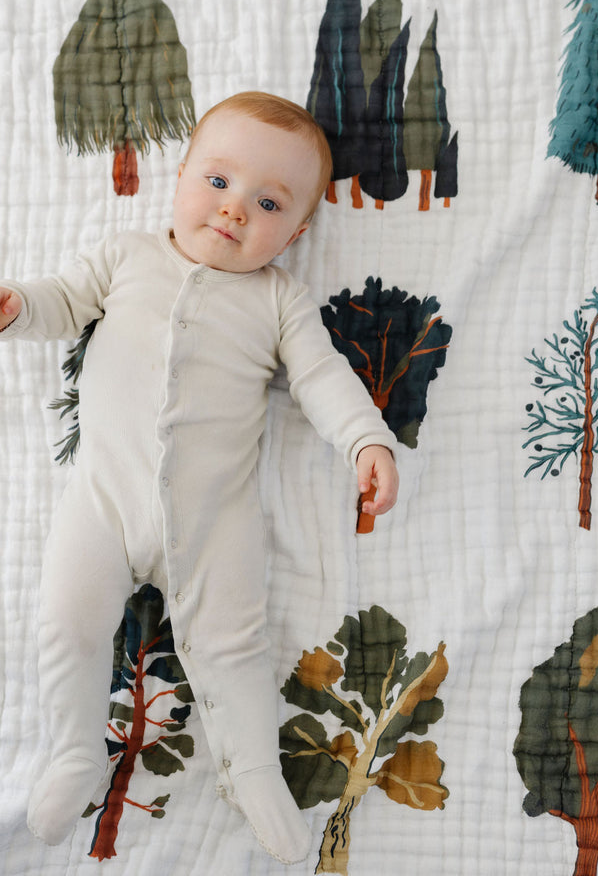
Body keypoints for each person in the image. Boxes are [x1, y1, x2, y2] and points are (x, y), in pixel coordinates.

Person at [0, 92, 399, 863]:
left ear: (298, 232)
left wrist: (365, 442)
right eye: (217, 181)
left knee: (233, 647)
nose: (234, 209)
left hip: (215, 517)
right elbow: (63, 302)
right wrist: (17, 306)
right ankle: (75, 751)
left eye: (269, 203)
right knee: (66, 623)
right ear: (181, 175)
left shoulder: (278, 299)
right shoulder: (126, 257)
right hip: (105, 502)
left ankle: (253, 772)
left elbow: (322, 378)